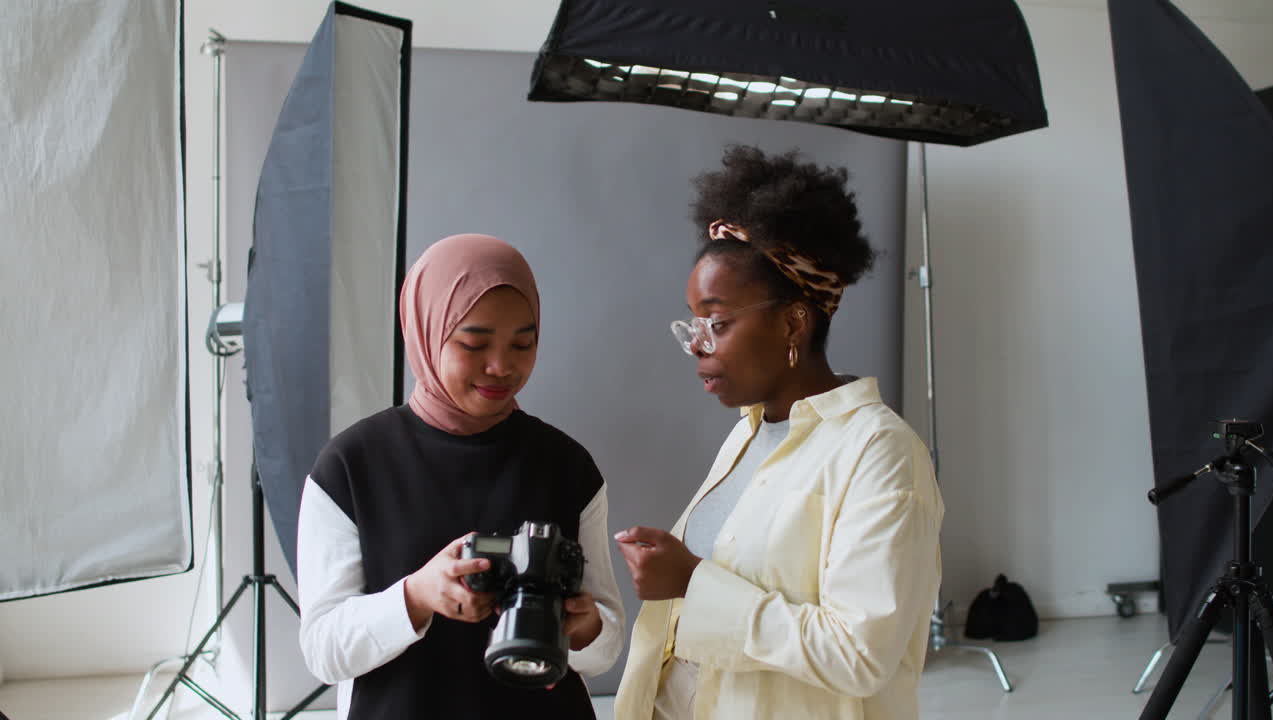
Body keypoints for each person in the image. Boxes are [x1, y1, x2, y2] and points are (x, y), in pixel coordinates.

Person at [613, 146, 944, 720]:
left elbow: (860, 654)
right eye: (694, 323)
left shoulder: (881, 454)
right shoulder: (750, 433)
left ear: (794, 320)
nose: (697, 343)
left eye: (717, 322)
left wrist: (693, 582)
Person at [297, 233, 624, 719]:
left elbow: (606, 645)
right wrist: (417, 596)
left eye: (523, 343)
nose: (501, 366)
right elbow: (324, 650)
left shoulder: (567, 466)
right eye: (474, 343)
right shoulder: (350, 466)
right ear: (426, 332)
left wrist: (586, 627)